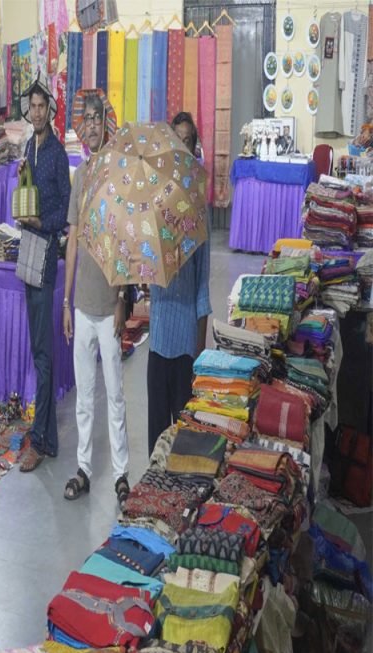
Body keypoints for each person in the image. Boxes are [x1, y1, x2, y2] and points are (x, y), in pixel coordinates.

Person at [61, 90, 130, 504]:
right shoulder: (82, 175)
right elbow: (72, 240)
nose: (90, 126)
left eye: (96, 119)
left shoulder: (118, 175)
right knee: (84, 395)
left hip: (108, 305)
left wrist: (123, 296)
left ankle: (121, 473)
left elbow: (124, 241)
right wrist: (67, 303)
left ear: (106, 122)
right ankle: (84, 468)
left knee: (116, 393)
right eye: (84, 120)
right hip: (83, 305)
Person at [147, 112, 212, 455]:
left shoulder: (199, 210)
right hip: (157, 339)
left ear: (194, 147)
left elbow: (203, 283)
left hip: (187, 341)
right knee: (157, 439)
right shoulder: (154, 204)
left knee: (185, 441)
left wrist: (200, 350)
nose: (181, 147)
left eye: (187, 141)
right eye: (176, 140)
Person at [17, 79, 71, 473]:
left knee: (43, 351)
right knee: (39, 348)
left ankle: (39, 439)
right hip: (26, 248)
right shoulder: (29, 147)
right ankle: (48, 439)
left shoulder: (55, 154)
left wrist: (40, 222)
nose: (36, 111)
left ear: (49, 111)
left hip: (46, 251)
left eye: (41, 106)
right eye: (32, 106)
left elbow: (65, 213)